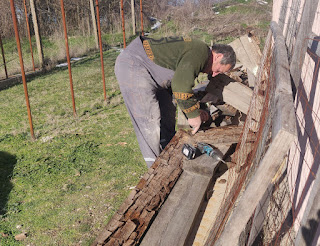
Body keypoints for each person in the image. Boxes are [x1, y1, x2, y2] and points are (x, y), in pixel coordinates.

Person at [115, 36, 236, 168]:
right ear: (217, 56)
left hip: (150, 71)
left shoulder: (198, 52)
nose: (213, 75)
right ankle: (155, 169)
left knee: (168, 111)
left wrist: (194, 110)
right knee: (149, 121)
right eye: (218, 70)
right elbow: (181, 86)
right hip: (134, 64)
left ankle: (169, 154)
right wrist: (193, 116)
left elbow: (181, 88)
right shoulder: (201, 52)